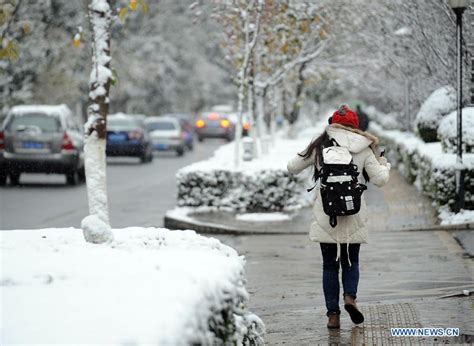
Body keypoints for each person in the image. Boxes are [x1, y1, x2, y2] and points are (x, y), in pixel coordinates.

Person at [287, 105, 391, 329]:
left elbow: (292, 167)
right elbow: (381, 180)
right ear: (356, 127)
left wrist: (309, 151)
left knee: (329, 266)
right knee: (351, 261)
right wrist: (384, 163)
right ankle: (350, 298)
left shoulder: (320, 144)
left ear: (331, 123)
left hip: (327, 214)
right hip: (354, 213)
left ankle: (333, 316)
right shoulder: (364, 148)